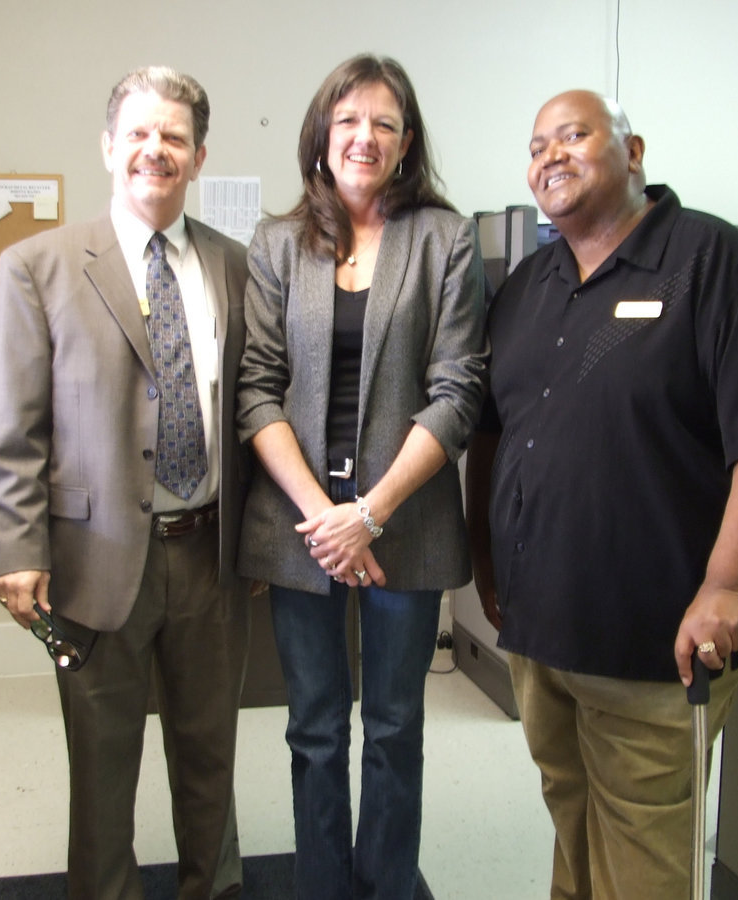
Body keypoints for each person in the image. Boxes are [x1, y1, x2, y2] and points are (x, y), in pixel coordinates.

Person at [465, 90, 738, 899]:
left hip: (655, 642)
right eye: (536, 146)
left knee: (642, 858)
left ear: (633, 153)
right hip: (541, 633)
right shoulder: (528, 284)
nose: (551, 156)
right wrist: (486, 559)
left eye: (574, 135)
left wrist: (728, 586)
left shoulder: (714, 265)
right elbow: (493, 432)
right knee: (573, 828)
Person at [0, 66, 251, 900]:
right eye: (138, 132)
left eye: (173, 136)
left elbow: (257, 409)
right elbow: (15, 427)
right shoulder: (37, 266)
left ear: (198, 156)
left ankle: (215, 887)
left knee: (210, 754)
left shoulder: (238, 267)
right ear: (108, 147)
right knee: (102, 765)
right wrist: (15, 548)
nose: (154, 150)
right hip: (92, 559)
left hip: (209, 552)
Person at [236, 54, 487, 900]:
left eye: (384, 122)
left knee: (393, 726)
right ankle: (321, 885)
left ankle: (385, 886)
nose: (364, 137)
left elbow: (458, 391)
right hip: (302, 525)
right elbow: (257, 389)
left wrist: (369, 514)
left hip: (404, 521)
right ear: (321, 134)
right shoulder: (277, 244)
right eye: (347, 120)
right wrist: (326, 518)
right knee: (313, 729)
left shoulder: (446, 240)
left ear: (407, 141)